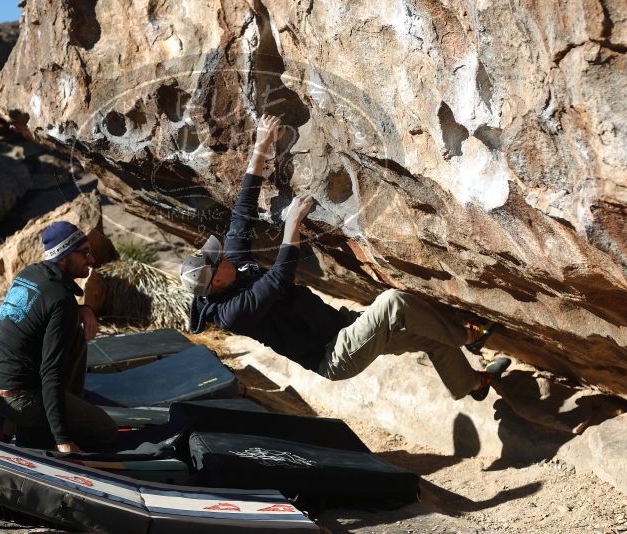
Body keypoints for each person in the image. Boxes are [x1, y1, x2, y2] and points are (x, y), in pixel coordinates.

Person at [180, 115, 508, 402]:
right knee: (393, 302)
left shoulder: (231, 269)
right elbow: (278, 279)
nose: (221, 253)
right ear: (216, 280)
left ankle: (473, 385)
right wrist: (292, 224)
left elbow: (242, 214)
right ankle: (470, 337)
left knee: (432, 338)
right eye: (216, 259)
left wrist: (261, 148)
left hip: (345, 326)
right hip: (333, 355)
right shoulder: (232, 314)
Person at [0, 221, 117, 452]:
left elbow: (47, 310)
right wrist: (63, 439)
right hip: (18, 398)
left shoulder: (31, 274)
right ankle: (37, 427)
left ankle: (22, 421)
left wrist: (83, 309)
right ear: (63, 257)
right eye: (84, 253)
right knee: (106, 433)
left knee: (74, 332)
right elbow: (50, 375)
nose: (91, 260)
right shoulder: (61, 302)